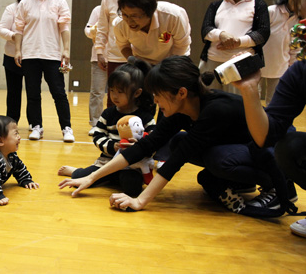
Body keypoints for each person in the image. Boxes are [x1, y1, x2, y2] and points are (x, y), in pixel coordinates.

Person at [59, 55, 293, 217]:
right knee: (180, 140)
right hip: (242, 149)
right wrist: (90, 178)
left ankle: (276, 185)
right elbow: (145, 146)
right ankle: (241, 181)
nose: (156, 102)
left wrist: (140, 201)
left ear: (181, 93)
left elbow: (176, 161)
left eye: (158, 96)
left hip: (273, 152)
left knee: (216, 159)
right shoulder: (183, 107)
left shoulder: (214, 110)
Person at [234, 0, 306, 236]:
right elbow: (268, 134)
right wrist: (249, 89)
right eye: (302, 17)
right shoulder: (300, 72)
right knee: (290, 147)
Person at [58, 59, 155, 197]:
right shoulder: (108, 113)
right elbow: (98, 136)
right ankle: (77, 171)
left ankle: (108, 178)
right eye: (112, 90)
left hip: (132, 166)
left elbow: (153, 140)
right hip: (106, 162)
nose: (114, 95)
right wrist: (113, 146)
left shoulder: (145, 117)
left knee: (133, 188)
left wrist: (138, 147)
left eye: (120, 91)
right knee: (79, 177)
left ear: (137, 93)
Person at [14, 0, 74, 142]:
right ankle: (36, 127)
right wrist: (18, 50)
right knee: (32, 93)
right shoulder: (25, 3)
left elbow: (64, 27)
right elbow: (18, 29)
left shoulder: (59, 2)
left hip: (52, 55)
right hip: (30, 54)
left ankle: (67, 128)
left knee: (59, 93)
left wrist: (66, 49)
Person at [199, 0, 270, 94]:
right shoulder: (215, 5)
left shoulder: (258, 5)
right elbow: (205, 29)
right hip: (213, 60)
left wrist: (237, 42)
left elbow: (263, 33)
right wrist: (222, 35)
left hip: (241, 63)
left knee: (237, 102)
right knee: (209, 99)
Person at [95, 0, 142, 107]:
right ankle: (112, 129)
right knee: (114, 98)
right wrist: (100, 52)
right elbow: (102, 28)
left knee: (139, 97)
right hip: (115, 56)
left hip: (140, 56)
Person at [114, 0, 191, 65]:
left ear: (150, 11)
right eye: (125, 14)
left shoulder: (173, 16)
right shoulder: (120, 24)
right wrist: (137, 63)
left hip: (175, 61)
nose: (129, 21)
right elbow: (123, 46)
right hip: (143, 64)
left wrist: (167, 69)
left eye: (134, 16)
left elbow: (181, 46)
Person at [260, 0, 306, 105]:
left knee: (273, 102)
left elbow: (295, 50)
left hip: (280, 68)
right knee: (252, 100)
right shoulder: (271, 11)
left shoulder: (300, 22)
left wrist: (291, 69)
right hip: (258, 65)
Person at [0, 0, 34, 124]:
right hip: (12, 56)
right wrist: (16, 37)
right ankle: (12, 121)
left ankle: (34, 122)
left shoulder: (38, 7)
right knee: (13, 92)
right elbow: (1, 30)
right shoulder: (11, 9)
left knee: (33, 92)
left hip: (32, 57)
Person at [86, 0, 120, 136]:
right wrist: (95, 30)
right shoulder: (98, 10)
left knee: (118, 92)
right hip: (98, 57)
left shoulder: (124, 10)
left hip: (118, 57)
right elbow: (88, 30)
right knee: (97, 92)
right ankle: (95, 123)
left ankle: (114, 123)